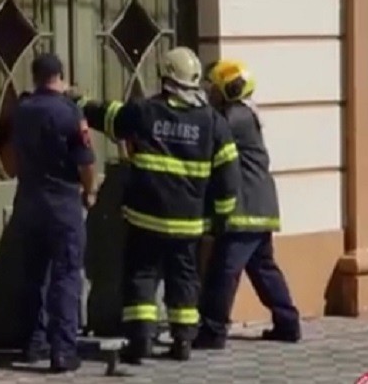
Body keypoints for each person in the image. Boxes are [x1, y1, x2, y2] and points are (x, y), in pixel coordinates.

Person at [72, 46, 241, 364]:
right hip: (188, 223)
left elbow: (109, 116)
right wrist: (221, 218)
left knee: (142, 276)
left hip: (145, 217)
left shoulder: (145, 111)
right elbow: (229, 177)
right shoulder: (213, 123)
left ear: (165, 76)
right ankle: (183, 342)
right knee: (184, 279)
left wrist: (77, 102)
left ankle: (140, 342)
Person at [194, 59, 302, 350]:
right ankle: (288, 323)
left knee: (222, 271)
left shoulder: (234, 117)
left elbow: (206, 130)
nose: (210, 94)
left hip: (245, 208)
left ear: (229, 89)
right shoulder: (244, 114)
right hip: (260, 205)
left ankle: (213, 331)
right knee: (264, 269)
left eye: (214, 88)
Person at [13, 53, 96, 373]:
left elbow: (9, 155)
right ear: (60, 75)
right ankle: (62, 351)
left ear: (35, 77)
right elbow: (86, 162)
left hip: (29, 199)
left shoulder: (21, 110)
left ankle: (33, 343)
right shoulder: (68, 112)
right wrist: (89, 191)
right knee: (65, 275)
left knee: (33, 274)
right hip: (63, 202)